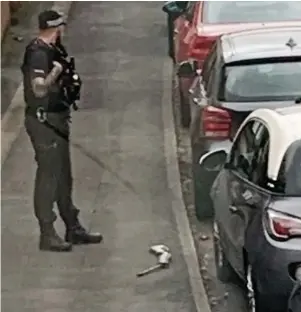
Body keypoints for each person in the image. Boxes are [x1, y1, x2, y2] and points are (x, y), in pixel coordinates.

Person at [21, 10, 103, 252]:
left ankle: (72, 226)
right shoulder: (38, 54)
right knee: (49, 176)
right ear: (57, 28)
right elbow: (38, 90)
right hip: (43, 122)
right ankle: (47, 233)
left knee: (63, 175)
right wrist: (55, 72)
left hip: (57, 119)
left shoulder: (54, 50)